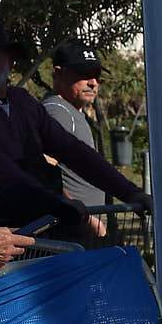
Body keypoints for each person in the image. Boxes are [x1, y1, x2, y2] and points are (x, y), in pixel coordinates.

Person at [0, 14, 145, 238]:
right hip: (0, 241)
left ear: (11, 59)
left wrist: (131, 193)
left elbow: (73, 150)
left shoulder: (23, 103)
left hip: (45, 233)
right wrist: (58, 204)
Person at [40, 43, 115, 237]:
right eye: (83, 74)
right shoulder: (58, 111)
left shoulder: (71, 112)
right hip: (71, 233)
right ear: (58, 73)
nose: (93, 82)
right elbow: (42, 172)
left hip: (81, 232)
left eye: (96, 75)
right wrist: (88, 219)